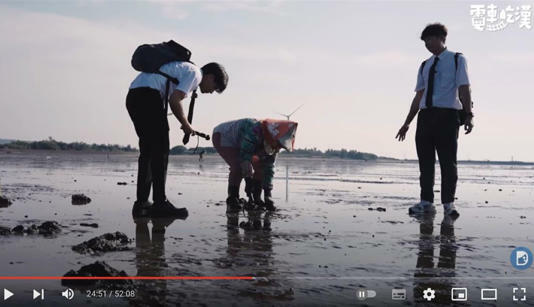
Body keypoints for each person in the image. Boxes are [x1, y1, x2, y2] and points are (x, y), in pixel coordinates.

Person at [127, 61, 228, 218]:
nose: (211, 92)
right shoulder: (196, 74)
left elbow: (173, 98)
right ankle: (160, 204)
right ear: (210, 77)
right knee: (160, 151)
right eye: (214, 88)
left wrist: (184, 122)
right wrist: (186, 125)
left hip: (134, 96)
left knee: (148, 151)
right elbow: (174, 100)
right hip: (148, 96)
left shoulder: (185, 70)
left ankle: (141, 204)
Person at [395, 23, 474, 218]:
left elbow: (464, 88)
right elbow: (418, 96)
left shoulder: (457, 59)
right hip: (425, 117)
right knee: (426, 163)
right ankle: (426, 202)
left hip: (447, 116)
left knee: (448, 163)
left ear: (441, 38)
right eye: (425, 42)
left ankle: (449, 204)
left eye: (430, 39)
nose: (427, 44)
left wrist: (469, 114)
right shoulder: (425, 64)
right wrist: (407, 122)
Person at [212, 118, 298, 212]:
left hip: (243, 141)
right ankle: (232, 197)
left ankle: (257, 198)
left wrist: (268, 196)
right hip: (224, 136)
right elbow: (245, 157)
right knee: (237, 167)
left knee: (261, 167)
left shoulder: (273, 143)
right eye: (278, 145)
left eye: (280, 147)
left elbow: (268, 168)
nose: (277, 149)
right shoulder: (255, 131)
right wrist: (248, 181)